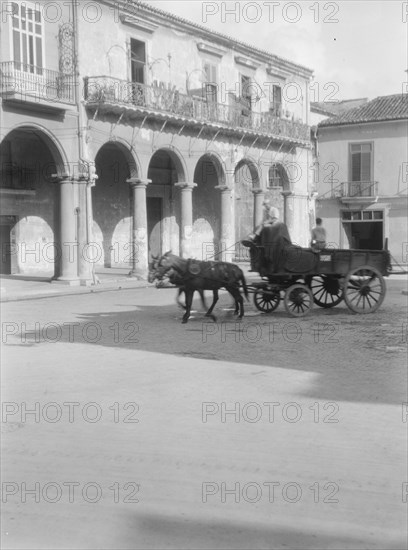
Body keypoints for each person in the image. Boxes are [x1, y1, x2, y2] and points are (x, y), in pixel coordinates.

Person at [242, 204, 291, 272]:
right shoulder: (266, 211)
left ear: (269, 204)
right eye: (264, 205)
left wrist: (266, 222)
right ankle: (256, 239)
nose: (265, 206)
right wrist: (264, 222)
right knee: (261, 226)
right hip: (268, 223)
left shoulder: (274, 210)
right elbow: (265, 219)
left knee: (264, 226)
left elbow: (275, 219)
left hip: (274, 223)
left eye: (266, 205)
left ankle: (255, 237)